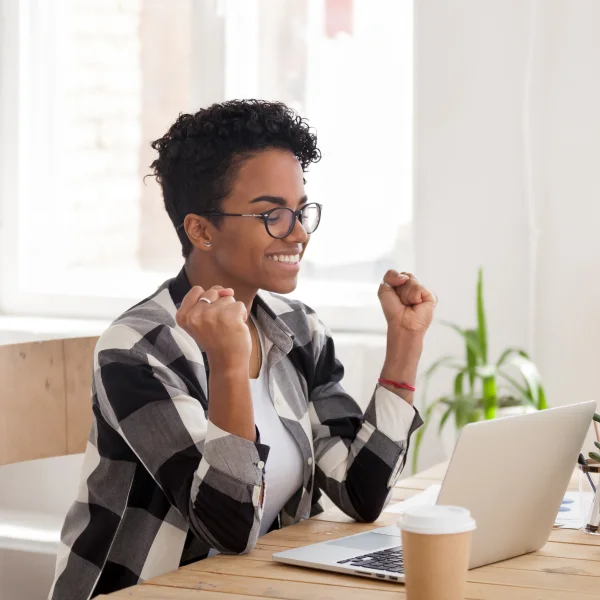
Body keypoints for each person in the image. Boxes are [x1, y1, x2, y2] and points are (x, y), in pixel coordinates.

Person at [49, 99, 436, 599]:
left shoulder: (299, 329)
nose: (297, 233)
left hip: (248, 588)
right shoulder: (138, 350)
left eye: (300, 211)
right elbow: (227, 526)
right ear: (201, 231)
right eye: (272, 214)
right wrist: (228, 366)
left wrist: (404, 345)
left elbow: (360, 492)